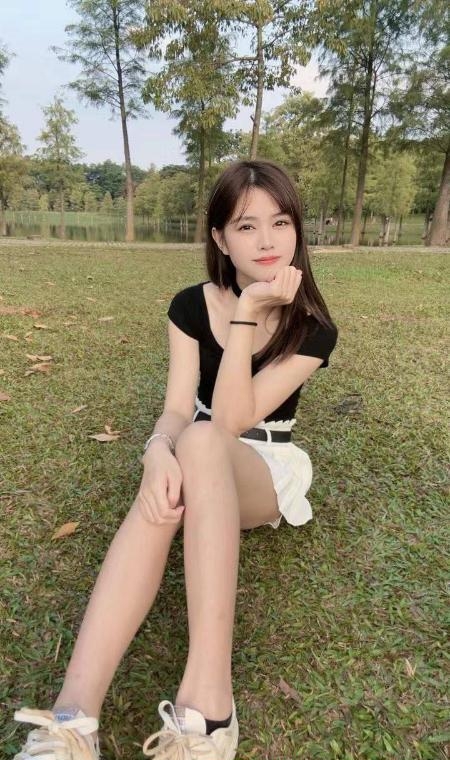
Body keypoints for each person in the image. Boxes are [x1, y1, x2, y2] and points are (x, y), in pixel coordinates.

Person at [12, 159, 338, 760]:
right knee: (162, 496)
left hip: (263, 470)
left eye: (281, 222)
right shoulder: (189, 307)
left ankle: (209, 700)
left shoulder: (312, 327)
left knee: (206, 439)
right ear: (220, 238)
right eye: (246, 226)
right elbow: (176, 408)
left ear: (297, 230)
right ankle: (71, 720)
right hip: (193, 447)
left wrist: (247, 310)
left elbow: (232, 418)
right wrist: (156, 450)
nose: (267, 240)